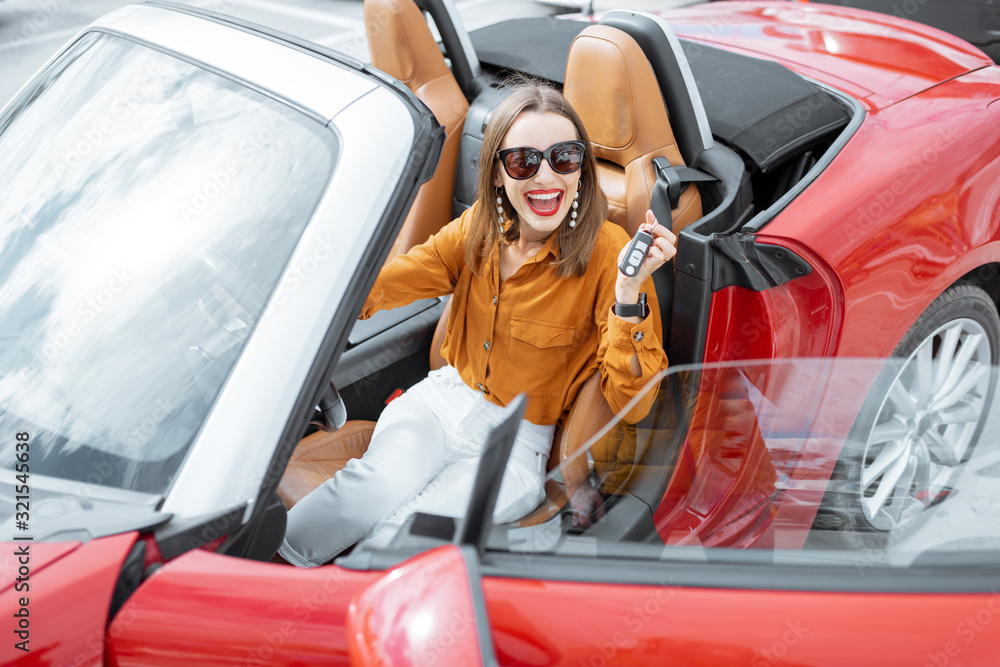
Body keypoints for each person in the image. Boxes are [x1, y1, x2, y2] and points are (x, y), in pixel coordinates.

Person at [278, 83, 675, 567]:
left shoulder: (612, 254)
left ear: (581, 171)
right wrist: (301, 280)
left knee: (408, 537)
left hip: (518, 441)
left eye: (565, 158)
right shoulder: (476, 230)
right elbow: (384, 286)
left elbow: (633, 404)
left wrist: (629, 295)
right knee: (365, 492)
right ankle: (256, 581)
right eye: (524, 162)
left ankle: (342, 616)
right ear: (495, 174)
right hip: (440, 401)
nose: (546, 176)